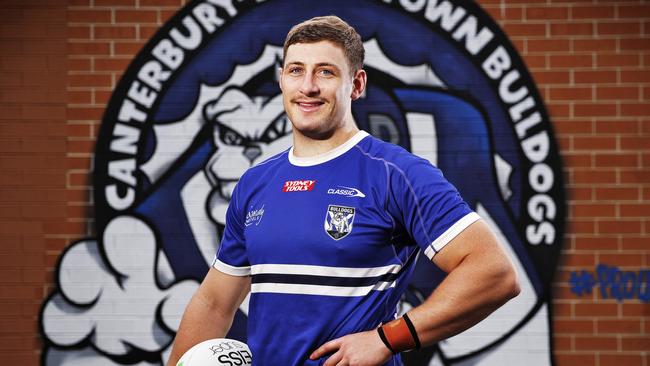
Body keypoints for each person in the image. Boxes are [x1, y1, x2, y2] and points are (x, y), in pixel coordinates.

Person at [167, 15, 520, 366]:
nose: (308, 86)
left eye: (325, 71)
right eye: (295, 71)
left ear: (357, 84)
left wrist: (387, 339)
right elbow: (214, 304)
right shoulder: (255, 183)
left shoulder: (396, 174)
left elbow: (494, 273)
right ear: (281, 80)